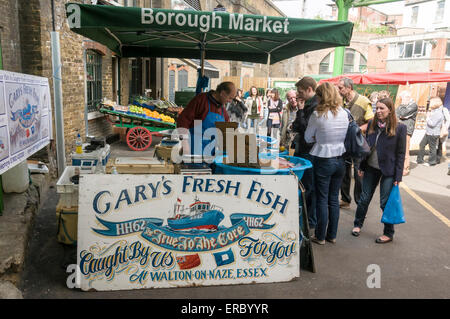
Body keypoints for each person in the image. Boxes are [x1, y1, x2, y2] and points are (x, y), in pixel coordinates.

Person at [352, 97, 407, 244]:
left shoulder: (400, 128)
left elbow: (401, 154)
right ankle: (357, 224)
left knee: (385, 203)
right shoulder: (372, 123)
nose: (379, 111)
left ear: (390, 110)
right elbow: (367, 147)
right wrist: (362, 166)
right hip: (371, 167)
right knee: (364, 199)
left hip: (389, 170)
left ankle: (388, 233)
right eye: (377, 108)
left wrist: (398, 176)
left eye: (382, 108)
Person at [305, 83, 349, 245]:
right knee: (333, 199)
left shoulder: (318, 114)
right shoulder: (344, 113)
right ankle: (332, 235)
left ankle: (320, 236)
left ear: (321, 97)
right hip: (340, 159)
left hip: (323, 158)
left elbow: (308, 138)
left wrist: (319, 138)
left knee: (322, 199)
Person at [337, 77, 374, 209]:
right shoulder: (341, 102)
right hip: (345, 143)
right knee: (344, 172)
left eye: (340, 88)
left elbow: (371, 121)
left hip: (358, 142)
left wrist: (358, 129)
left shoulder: (363, 101)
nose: (338, 90)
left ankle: (360, 202)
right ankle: (345, 199)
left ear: (349, 88)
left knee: (359, 174)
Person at [177, 81, 236, 155]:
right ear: (222, 93)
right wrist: (184, 143)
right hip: (194, 150)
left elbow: (227, 128)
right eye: (230, 98)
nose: (230, 101)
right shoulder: (201, 100)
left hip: (210, 153)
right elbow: (183, 120)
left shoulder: (222, 110)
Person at [292, 76, 319, 231]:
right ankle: (307, 220)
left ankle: (309, 222)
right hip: (304, 149)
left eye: (300, 91)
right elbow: (297, 125)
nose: (298, 94)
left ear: (309, 89)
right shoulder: (308, 104)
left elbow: (304, 129)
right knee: (305, 186)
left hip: (308, 151)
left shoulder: (314, 106)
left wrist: (301, 111)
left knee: (308, 187)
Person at [417, 97, 445, 166]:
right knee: (422, 144)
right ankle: (419, 160)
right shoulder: (434, 111)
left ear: (435, 103)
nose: (429, 103)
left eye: (431, 102)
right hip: (428, 132)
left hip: (433, 133)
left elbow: (432, 124)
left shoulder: (438, 113)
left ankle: (432, 162)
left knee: (432, 148)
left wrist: (427, 117)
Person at [396, 90, 417, 175]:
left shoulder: (413, 105)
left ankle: (405, 168)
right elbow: (397, 113)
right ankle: (400, 167)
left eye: (402, 99)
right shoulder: (403, 105)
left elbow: (403, 114)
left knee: (405, 149)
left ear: (407, 98)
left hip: (407, 129)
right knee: (400, 148)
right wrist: (401, 115)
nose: (401, 100)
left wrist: (402, 114)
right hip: (400, 128)